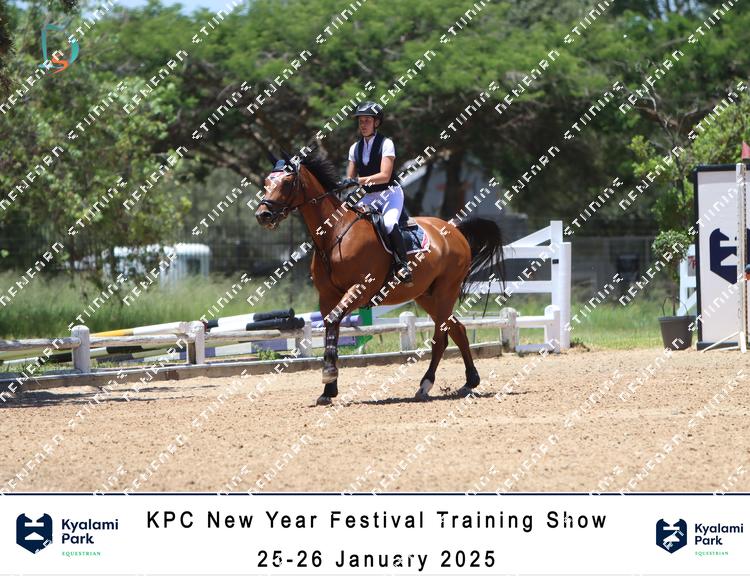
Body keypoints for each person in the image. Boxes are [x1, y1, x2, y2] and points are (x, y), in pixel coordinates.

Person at [342, 101, 413, 286]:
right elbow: (349, 178)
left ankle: (403, 266)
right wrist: (343, 185)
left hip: (390, 193)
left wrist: (356, 181)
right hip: (368, 196)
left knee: (388, 224)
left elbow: (384, 176)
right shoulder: (354, 148)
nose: (363, 124)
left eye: (367, 120)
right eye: (361, 121)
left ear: (376, 122)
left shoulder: (386, 143)